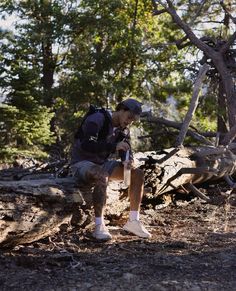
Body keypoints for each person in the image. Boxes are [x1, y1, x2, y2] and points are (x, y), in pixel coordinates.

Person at [70, 98, 151, 241]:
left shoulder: (123, 130)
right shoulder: (97, 119)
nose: (130, 121)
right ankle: (99, 226)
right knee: (102, 175)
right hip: (82, 163)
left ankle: (133, 221)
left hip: (102, 163)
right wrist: (113, 147)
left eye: (133, 120)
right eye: (129, 117)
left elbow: (124, 150)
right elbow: (86, 145)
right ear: (121, 109)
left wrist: (127, 161)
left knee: (137, 174)